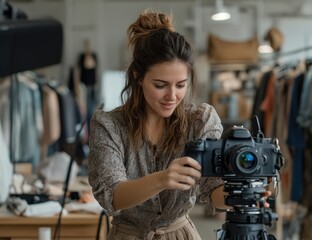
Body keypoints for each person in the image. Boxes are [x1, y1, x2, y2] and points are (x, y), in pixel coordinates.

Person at [88, 9, 269, 240]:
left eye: (181, 85)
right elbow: (113, 195)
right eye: (161, 85)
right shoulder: (109, 126)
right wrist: (162, 179)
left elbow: (211, 187)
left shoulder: (200, 121)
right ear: (137, 77)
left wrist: (245, 194)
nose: (172, 96)